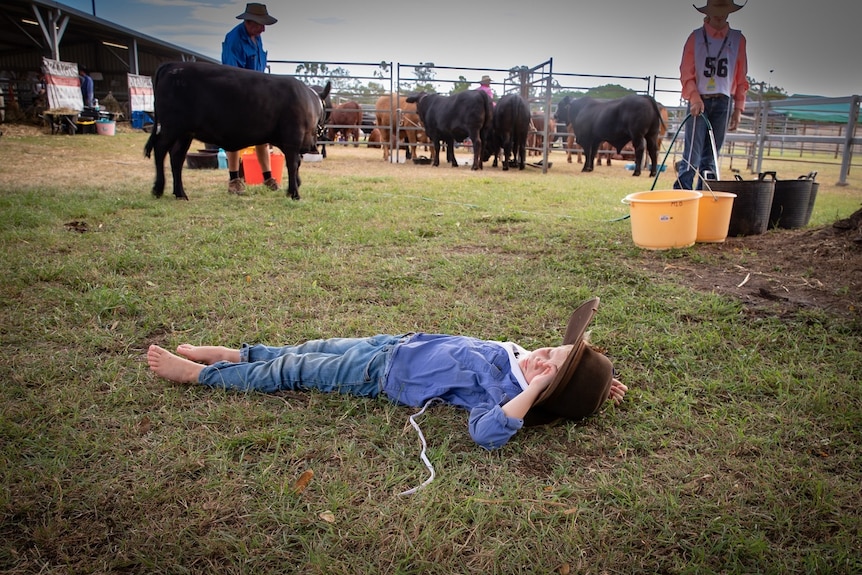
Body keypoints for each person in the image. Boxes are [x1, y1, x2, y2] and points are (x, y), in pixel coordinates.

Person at [147, 298, 627, 451]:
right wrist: (595, 382)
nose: (541, 355)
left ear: (542, 392)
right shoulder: (523, 359)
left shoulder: (502, 393)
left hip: (378, 373)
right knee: (309, 348)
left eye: (548, 366)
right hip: (395, 343)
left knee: (295, 371)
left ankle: (199, 376)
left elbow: (487, 434)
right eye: (553, 347)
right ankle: (239, 354)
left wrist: (543, 389)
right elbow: (570, 370)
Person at [674, 0, 749, 190]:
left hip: (724, 101)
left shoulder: (738, 39)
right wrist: (694, 97)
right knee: (692, 153)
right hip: (699, 100)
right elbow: (686, 71)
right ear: (708, 11)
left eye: (723, 10)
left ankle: (707, 196)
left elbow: (741, 76)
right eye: (715, 9)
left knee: (713, 156)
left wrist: (738, 108)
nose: (719, 14)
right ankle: (683, 194)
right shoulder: (696, 37)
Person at [221, 3, 279, 195]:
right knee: (234, 136)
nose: (263, 29)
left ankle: (268, 177)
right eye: (260, 24)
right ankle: (234, 179)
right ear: (248, 22)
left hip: (257, 94)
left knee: (263, 136)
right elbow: (231, 72)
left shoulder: (257, 38)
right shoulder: (234, 39)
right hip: (239, 94)